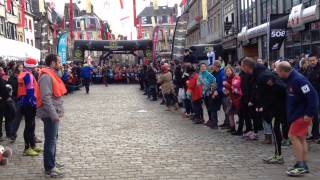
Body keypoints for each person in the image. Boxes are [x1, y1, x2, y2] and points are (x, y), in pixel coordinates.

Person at [276, 61, 319, 177]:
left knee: (293, 136)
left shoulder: (298, 80)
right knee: (301, 138)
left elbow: (313, 96)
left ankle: (300, 165)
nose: (277, 74)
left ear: (283, 71)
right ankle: (302, 164)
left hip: (301, 115)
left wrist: (309, 113)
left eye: (278, 72)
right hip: (298, 113)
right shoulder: (291, 79)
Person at [37, 54, 67, 178]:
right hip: (49, 113)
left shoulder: (52, 74)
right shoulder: (46, 76)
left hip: (53, 112)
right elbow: (46, 98)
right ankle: (50, 167)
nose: (61, 64)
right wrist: (54, 114)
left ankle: (52, 162)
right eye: (58, 62)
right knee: (50, 140)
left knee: (53, 138)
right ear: (52, 63)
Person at [17, 58, 42, 156]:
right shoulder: (28, 75)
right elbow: (30, 91)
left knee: (31, 125)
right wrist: (34, 103)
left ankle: (33, 145)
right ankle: (27, 148)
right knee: (29, 126)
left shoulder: (23, 73)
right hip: (29, 103)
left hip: (24, 103)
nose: (36, 67)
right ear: (32, 66)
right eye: (35, 65)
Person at [305, 53, 320, 141]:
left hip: (318, 94)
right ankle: (315, 134)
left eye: (313, 60)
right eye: (310, 61)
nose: (312, 62)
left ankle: (316, 135)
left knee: (316, 115)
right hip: (311, 95)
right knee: (314, 115)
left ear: (317, 60)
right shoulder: (308, 69)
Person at [198, 63, 216, 128]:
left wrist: (211, 89)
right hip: (204, 93)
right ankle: (210, 120)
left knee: (211, 107)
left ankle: (213, 121)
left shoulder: (209, 74)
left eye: (204, 66)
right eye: (201, 67)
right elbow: (198, 84)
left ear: (206, 67)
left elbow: (214, 81)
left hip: (209, 93)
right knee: (207, 107)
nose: (203, 68)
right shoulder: (200, 75)